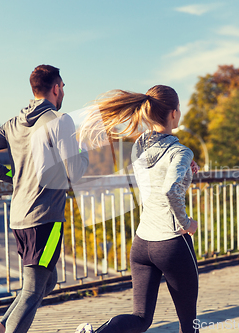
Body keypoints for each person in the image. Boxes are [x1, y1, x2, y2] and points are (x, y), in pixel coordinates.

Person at [0, 64, 89, 333]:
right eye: (63, 88)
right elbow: (76, 174)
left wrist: (9, 175)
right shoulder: (60, 121)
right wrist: (84, 146)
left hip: (19, 219)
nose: (63, 93)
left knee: (45, 283)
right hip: (45, 220)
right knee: (34, 290)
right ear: (56, 88)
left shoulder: (13, 124)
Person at [76, 85, 199, 333]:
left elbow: (158, 163)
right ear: (174, 113)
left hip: (142, 244)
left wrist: (187, 164)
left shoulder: (140, 147)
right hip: (172, 243)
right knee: (189, 324)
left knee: (141, 318)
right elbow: (171, 190)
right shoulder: (180, 152)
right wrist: (187, 223)